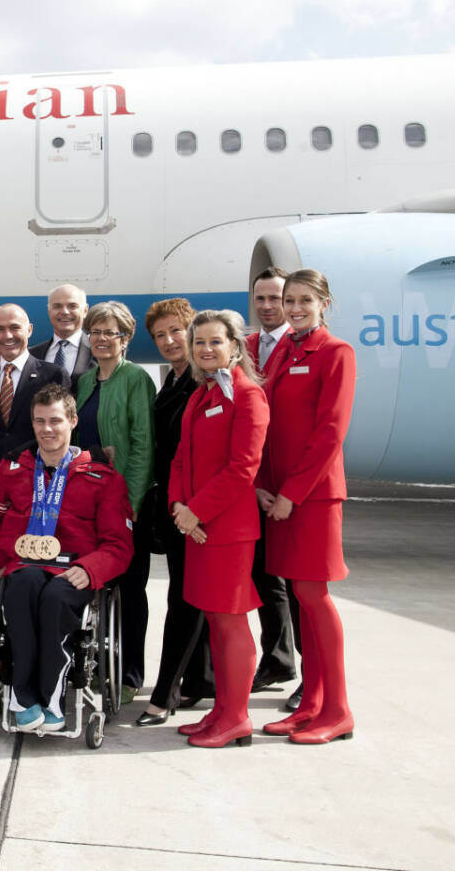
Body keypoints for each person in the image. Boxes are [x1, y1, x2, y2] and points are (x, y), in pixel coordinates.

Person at [0, 384, 133, 732]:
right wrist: (3, 562)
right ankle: (23, 696)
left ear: (72, 421)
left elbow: (119, 543)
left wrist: (91, 569)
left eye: (55, 421)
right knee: (20, 588)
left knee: (54, 599)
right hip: (24, 564)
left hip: (73, 568)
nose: (47, 429)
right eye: (40, 421)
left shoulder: (103, 477)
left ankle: (50, 697)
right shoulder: (11, 469)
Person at [257, 269, 357, 745]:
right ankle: (312, 704)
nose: (294, 307)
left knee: (315, 598)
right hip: (280, 497)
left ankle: (337, 709)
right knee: (302, 598)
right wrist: (264, 487)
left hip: (311, 498)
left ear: (324, 303)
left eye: (304, 300)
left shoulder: (335, 353)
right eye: (288, 299)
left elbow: (330, 432)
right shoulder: (284, 351)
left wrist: (293, 493)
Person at [168, 310, 271, 748]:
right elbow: (180, 459)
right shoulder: (200, 395)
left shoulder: (248, 396)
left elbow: (243, 468)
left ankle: (237, 717)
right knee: (214, 620)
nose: (206, 350)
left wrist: (196, 512)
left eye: (215, 342)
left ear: (235, 345)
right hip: (196, 528)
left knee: (231, 623)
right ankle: (222, 710)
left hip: (224, 529)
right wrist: (177, 505)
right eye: (200, 343)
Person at [135, 298, 214, 727]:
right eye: (159, 335)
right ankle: (200, 682)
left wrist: (191, 509)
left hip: (196, 511)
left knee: (184, 600)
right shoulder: (173, 381)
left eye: (175, 332)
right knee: (189, 596)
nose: (168, 341)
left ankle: (164, 694)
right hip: (175, 504)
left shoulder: (206, 385)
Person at [72, 300, 155, 705]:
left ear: (126, 338)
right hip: (89, 501)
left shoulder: (136, 378)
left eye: (112, 333)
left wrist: (134, 499)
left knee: (130, 589)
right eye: (97, 332)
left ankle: (130, 672)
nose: (102, 339)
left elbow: (142, 444)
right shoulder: (86, 382)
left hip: (124, 501)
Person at [244, 266, 299, 695]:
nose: (268, 306)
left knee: (299, 584)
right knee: (264, 576)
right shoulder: (243, 346)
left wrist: (286, 488)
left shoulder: (300, 349)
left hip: (289, 483)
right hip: (253, 481)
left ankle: (310, 669)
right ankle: (279, 658)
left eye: (275, 298)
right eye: (261, 298)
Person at [0, 303, 66, 523]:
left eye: (15, 327)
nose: (8, 335)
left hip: (39, 491)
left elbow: (63, 437)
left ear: (29, 330)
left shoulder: (53, 375)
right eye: (0, 329)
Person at [30, 284, 93, 382]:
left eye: (72, 306)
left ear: (85, 310)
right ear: (49, 311)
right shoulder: (32, 355)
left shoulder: (97, 352)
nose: (65, 312)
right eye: (57, 306)